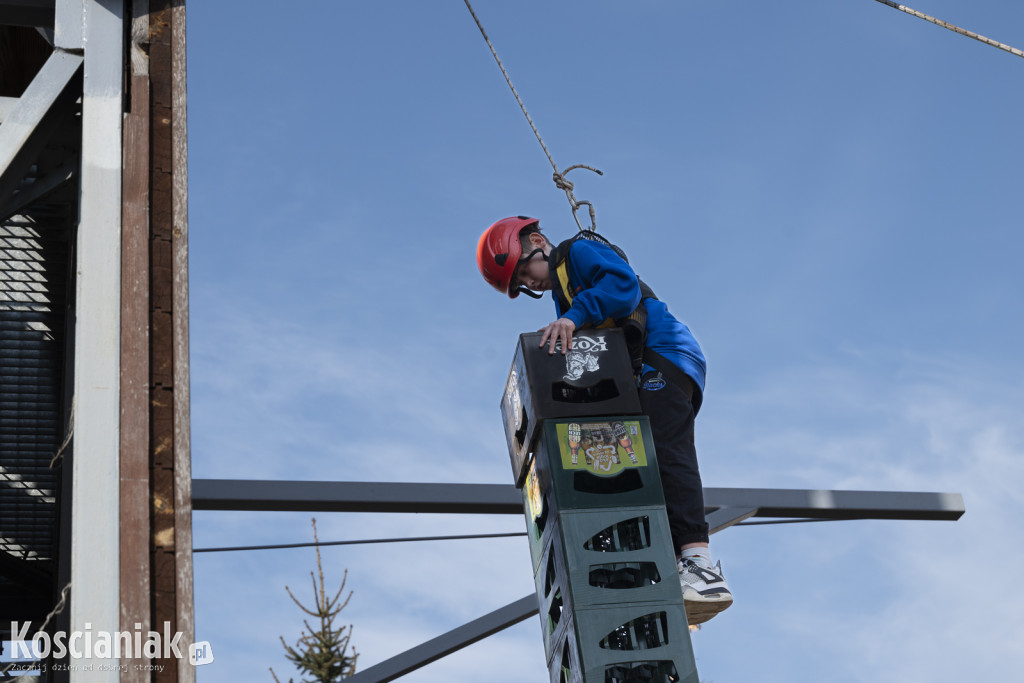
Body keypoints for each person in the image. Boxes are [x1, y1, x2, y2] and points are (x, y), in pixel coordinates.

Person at [477, 215, 732, 625]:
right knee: (639, 467)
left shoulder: (578, 252)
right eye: (521, 283)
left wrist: (573, 318)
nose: (530, 282)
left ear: (539, 241)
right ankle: (674, 569)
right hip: (637, 371)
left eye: (526, 269)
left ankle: (700, 564)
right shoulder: (567, 301)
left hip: (663, 355)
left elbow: (622, 285)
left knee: (665, 451)